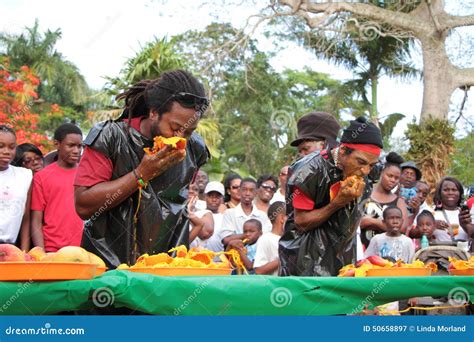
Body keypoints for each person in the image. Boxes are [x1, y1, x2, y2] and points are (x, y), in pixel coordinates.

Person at [74, 70, 209, 268]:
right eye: (175, 128)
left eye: (189, 131)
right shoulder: (111, 136)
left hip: (166, 271)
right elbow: (83, 206)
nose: (182, 138)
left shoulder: (194, 147)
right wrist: (141, 174)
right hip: (108, 269)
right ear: (153, 112)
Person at [279, 116, 383, 276]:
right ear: (342, 151)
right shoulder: (308, 171)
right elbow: (300, 223)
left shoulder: (370, 169)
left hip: (345, 260)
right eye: (360, 162)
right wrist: (337, 203)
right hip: (305, 262)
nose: (366, 171)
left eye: (371, 165)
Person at [31, 123, 84, 252]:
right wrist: (41, 253)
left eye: (79, 146)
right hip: (52, 250)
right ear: (57, 144)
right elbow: (36, 220)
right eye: (71, 145)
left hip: (84, 250)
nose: (76, 150)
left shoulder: (88, 174)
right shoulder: (41, 177)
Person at [359, 152, 408, 247]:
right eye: (390, 176)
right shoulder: (364, 193)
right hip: (361, 248)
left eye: (396, 178)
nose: (393, 180)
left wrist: (372, 222)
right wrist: (388, 226)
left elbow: (401, 229)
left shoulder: (399, 202)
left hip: (388, 251)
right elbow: (354, 223)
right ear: (381, 173)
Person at [0, 125, 32, 250]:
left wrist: (24, 252)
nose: (6, 151)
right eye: (1, 146)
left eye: (12, 147)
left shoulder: (24, 176)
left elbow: (26, 218)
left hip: (10, 249)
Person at [220, 177, 272, 248]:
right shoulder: (229, 213)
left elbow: (265, 239)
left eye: (251, 190)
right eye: (244, 190)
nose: (247, 193)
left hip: (256, 257)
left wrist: (238, 237)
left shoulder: (262, 215)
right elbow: (225, 239)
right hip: (235, 256)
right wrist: (249, 235)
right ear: (239, 191)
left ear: (256, 193)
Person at [431, 177, 470, 243]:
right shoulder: (431, 213)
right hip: (437, 252)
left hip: (462, 252)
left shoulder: (466, 214)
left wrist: (467, 225)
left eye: (454, 190)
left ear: (460, 193)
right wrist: (431, 225)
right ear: (439, 193)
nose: (450, 193)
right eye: (446, 190)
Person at [190, 181, 225, 252]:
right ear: (204, 197)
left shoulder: (225, 218)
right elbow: (204, 234)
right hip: (194, 259)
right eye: (210, 196)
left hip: (218, 260)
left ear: (222, 199)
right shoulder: (196, 214)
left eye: (218, 196)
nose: (214, 199)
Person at [254, 201, 286, 275]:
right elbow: (259, 270)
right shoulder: (265, 239)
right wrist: (283, 258)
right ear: (282, 218)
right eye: (289, 216)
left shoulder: (291, 240)